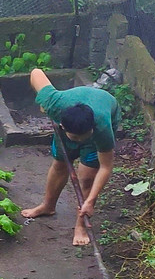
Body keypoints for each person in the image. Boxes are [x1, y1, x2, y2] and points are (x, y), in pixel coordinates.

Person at [19, 68, 121, 246]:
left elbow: (106, 167)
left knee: (87, 177)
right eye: (76, 138)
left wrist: (90, 201)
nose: (80, 140)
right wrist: (41, 103)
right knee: (59, 165)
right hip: (68, 127)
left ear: (91, 129)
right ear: (62, 125)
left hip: (102, 109)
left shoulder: (102, 128)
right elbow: (36, 72)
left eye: (83, 136)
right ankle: (48, 206)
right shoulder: (54, 103)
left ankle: (80, 225)